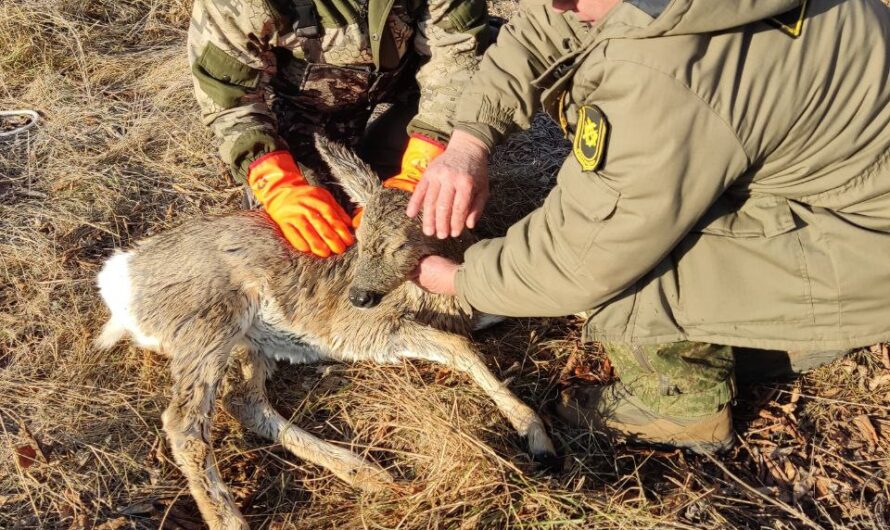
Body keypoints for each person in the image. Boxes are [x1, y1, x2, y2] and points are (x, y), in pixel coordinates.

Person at [411, 0, 890, 453]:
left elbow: (582, 256)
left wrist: (462, 280)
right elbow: (539, 28)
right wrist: (469, 141)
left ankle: (683, 405)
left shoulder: (663, 73)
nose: (556, 3)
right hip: (851, 192)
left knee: (630, 262)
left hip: (862, 245)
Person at [187, 0, 492, 257]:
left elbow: (457, 59)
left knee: (496, 68)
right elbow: (229, 99)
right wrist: (278, 184)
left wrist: (423, 162)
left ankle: (393, 156)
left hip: (414, 80)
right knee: (317, 237)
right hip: (310, 104)